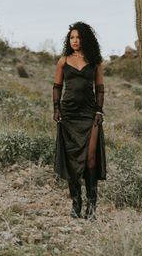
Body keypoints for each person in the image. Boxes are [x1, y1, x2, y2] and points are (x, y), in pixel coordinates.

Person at [53, 21, 106, 221]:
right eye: (72, 37)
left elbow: (100, 88)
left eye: (78, 37)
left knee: (91, 158)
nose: (74, 41)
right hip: (68, 115)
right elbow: (57, 86)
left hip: (89, 114)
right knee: (72, 159)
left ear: (85, 39)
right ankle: (76, 203)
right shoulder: (63, 61)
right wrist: (56, 108)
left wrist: (99, 111)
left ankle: (92, 206)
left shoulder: (95, 61)